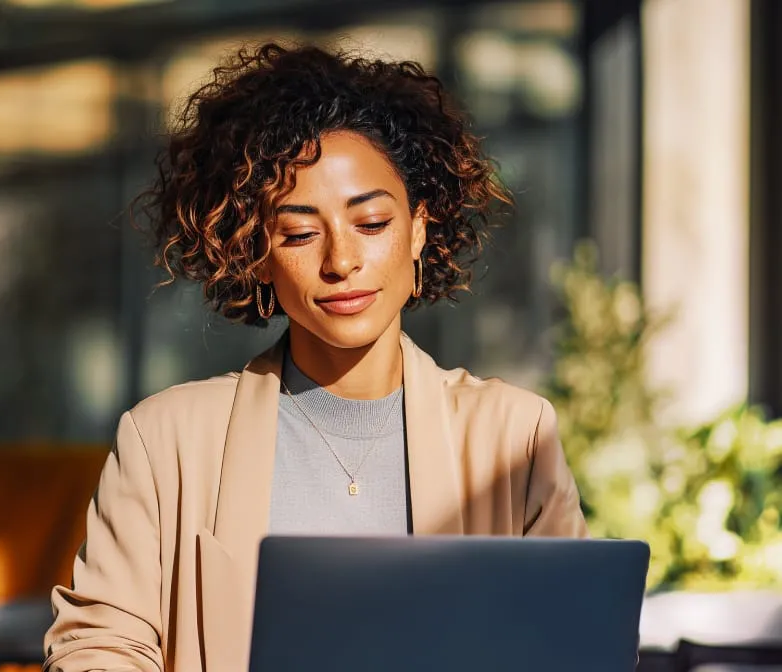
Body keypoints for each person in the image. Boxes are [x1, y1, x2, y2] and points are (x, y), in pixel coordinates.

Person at [43, 42, 588, 672]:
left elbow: (572, 639)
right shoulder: (167, 439)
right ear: (256, 251)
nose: (340, 262)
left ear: (418, 229)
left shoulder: (514, 436)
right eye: (300, 233)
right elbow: (98, 644)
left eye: (372, 223)